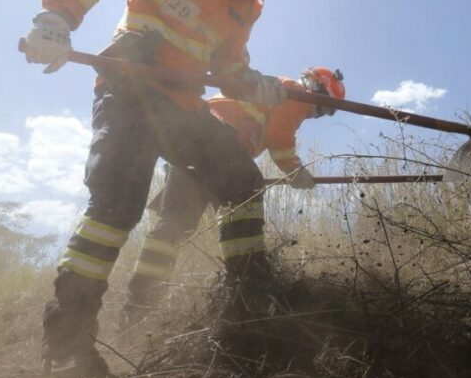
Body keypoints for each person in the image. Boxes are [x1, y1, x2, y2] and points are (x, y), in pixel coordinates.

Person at [21, 0, 313, 377]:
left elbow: (228, 67)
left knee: (242, 183)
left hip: (184, 108)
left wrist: (252, 82)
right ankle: (69, 345)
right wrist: (56, 19)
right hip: (129, 92)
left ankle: (249, 307)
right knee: (116, 206)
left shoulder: (247, 7)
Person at [122, 67, 346, 325]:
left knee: (172, 227)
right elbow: (280, 139)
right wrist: (296, 171)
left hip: (193, 144)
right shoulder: (296, 92)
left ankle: (139, 303)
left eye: (323, 113)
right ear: (315, 88)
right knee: (245, 197)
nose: (315, 114)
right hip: (219, 144)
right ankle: (249, 292)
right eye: (321, 106)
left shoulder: (273, 91)